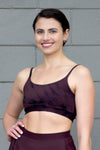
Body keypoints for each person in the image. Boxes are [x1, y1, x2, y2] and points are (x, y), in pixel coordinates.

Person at [3, 8, 95, 150]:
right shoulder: (24, 75)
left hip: (58, 146)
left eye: (52, 31)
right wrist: (10, 129)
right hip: (22, 145)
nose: (45, 37)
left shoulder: (79, 74)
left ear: (65, 34)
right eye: (40, 32)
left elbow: (84, 136)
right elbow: (9, 114)